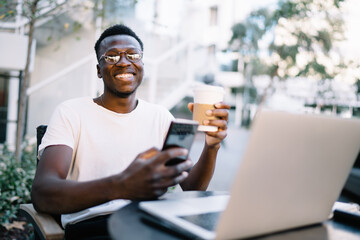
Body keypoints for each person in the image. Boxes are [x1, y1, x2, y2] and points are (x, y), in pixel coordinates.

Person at [31, 24, 230, 239]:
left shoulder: (161, 116)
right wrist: (121, 186)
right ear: (99, 69)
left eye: (133, 55)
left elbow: (192, 188)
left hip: (149, 223)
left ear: (142, 64)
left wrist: (212, 146)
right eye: (112, 57)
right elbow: (43, 193)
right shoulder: (71, 112)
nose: (124, 62)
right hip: (94, 227)